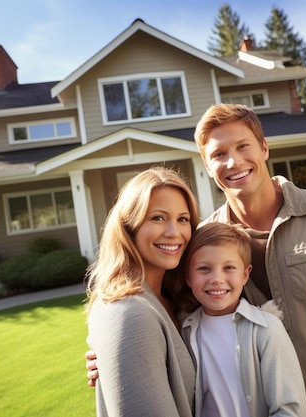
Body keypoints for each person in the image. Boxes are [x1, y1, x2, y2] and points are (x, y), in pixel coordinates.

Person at [88, 104, 306, 417]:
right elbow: (175, 321)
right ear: (207, 167)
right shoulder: (200, 242)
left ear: (264, 148)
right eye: (219, 154)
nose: (233, 162)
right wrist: (114, 354)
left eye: (242, 147)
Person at [85, 166, 199, 417]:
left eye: (183, 219)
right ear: (129, 227)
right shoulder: (128, 313)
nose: (174, 233)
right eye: (158, 217)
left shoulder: (176, 301)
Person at [180, 222, 306, 417]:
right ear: (188, 276)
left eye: (229, 267)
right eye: (204, 268)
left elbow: (291, 409)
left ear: (245, 274)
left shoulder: (266, 329)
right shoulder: (185, 332)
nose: (217, 279)